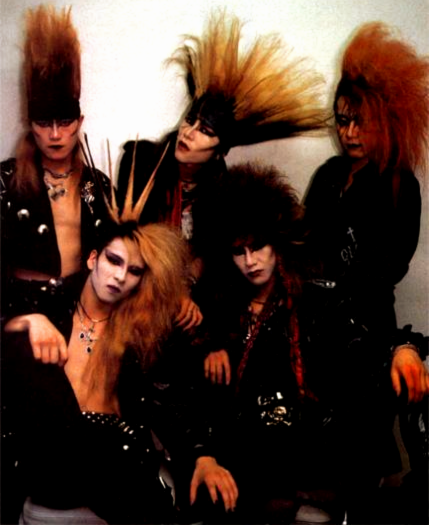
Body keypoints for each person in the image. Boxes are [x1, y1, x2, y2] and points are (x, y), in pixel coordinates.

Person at [2, 218, 239, 524]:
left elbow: (169, 397)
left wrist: (202, 455)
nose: (120, 276)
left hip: (118, 466)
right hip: (51, 475)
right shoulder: (48, 303)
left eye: (134, 270)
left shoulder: (142, 329)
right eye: (114, 261)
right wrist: (24, 321)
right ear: (93, 259)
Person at [117, 10, 328, 329]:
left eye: (205, 131)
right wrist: (174, 292)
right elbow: (129, 240)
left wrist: (186, 290)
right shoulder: (141, 162)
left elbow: (214, 256)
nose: (188, 133)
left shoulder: (224, 194)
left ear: (220, 151)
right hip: (137, 296)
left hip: (193, 308)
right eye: (190, 121)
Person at [302, 22, 429, 523]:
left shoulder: (400, 185)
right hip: (315, 332)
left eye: (361, 122)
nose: (350, 133)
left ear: (384, 120)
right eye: (342, 121)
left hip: (368, 332)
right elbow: (303, 247)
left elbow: (388, 268)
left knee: (362, 463)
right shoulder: (328, 176)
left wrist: (337, 283)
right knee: (318, 464)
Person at [195, 163, 346, 524]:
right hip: (241, 460)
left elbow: (359, 344)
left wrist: (403, 350)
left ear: (277, 239)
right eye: (239, 251)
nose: (251, 261)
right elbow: (196, 398)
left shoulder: (310, 300)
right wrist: (209, 343)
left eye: (258, 245)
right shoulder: (220, 311)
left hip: (301, 458)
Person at [0, 5, 111, 330]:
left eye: (64, 122)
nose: (55, 134)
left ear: (79, 122)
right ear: (30, 124)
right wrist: (18, 321)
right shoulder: (6, 180)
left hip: (84, 311)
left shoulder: (97, 185)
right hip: (21, 314)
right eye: (43, 123)